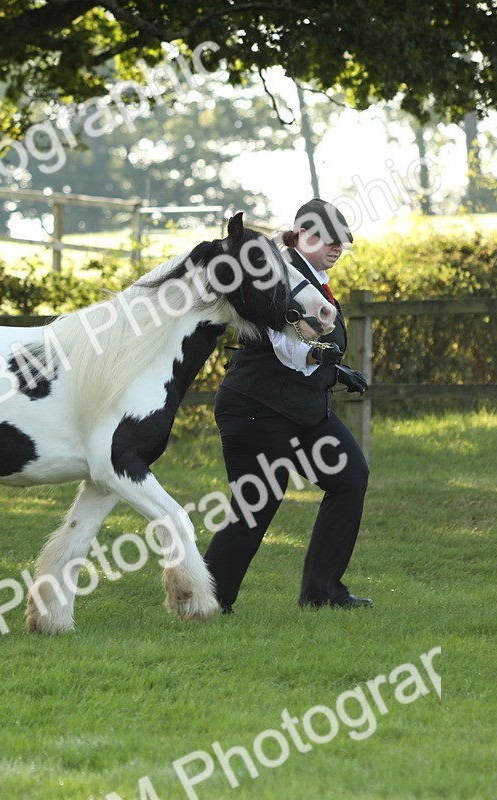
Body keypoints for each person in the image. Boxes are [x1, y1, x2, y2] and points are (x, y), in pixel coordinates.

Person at [204, 198, 372, 613]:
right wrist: (322, 358)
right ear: (301, 236)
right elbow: (285, 346)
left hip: (303, 411)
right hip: (256, 408)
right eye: (326, 239)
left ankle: (323, 591)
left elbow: (312, 344)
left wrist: (335, 371)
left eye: (341, 241)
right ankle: (206, 599)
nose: (336, 248)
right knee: (256, 505)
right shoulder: (276, 274)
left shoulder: (312, 277)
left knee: (350, 476)